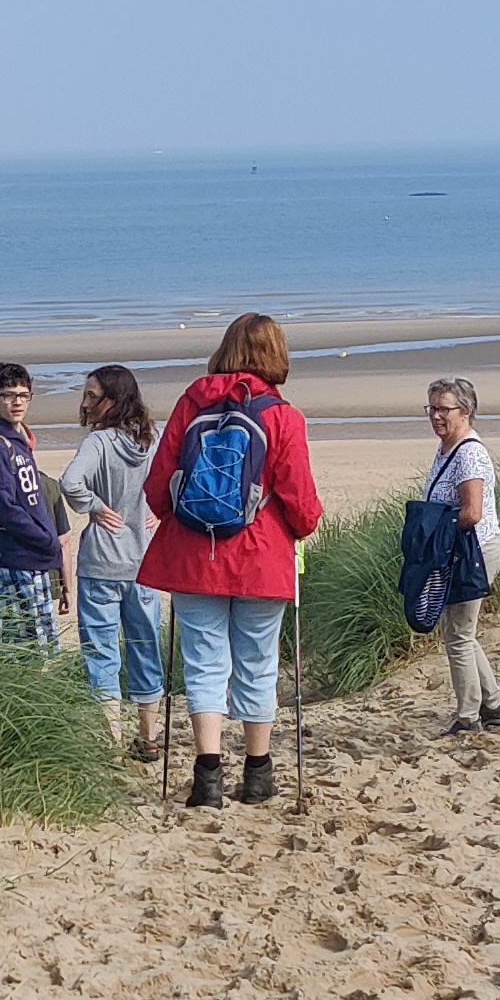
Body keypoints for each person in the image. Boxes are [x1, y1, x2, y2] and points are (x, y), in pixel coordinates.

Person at [139, 312, 326, 808]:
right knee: (259, 663)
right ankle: (258, 774)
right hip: (262, 557)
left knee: (202, 665)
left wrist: (184, 519)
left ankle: (208, 777)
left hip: (194, 555)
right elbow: (302, 505)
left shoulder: (191, 403)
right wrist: (299, 527)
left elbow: (158, 487)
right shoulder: (282, 416)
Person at [56, 364, 168, 759]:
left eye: (92, 396)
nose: (85, 403)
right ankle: (147, 737)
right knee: (145, 645)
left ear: (114, 401)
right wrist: (159, 511)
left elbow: (70, 482)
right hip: (144, 562)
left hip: (103, 561)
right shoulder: (151, 440)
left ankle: (114, 741)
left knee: (103, 651)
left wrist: (96, 507)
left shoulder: (99, 443)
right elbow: (176, 479)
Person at [0, 362, 72, 658]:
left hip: (34, 560)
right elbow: (5, 508)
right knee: (13, 651)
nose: (18, 402)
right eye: (10, 395)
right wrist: (45, 540)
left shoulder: (20, 441)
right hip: (13, 561)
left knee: (41, 650)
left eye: (24, 395)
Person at [421, 375, 500, 734]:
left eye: (444, 409)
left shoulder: (469, 452)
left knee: (458, 633)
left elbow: (471, 513)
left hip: (475, 551)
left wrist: (435, 528)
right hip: (459, 552)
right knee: (461, 631)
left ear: (467, 412)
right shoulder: (448, 449)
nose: (436, 416)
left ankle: (469, 716)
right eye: (432, 408)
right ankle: (496, 705)